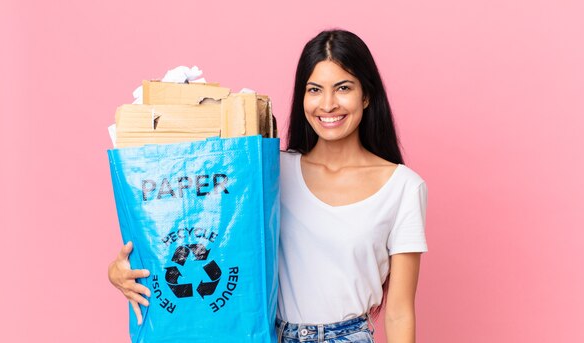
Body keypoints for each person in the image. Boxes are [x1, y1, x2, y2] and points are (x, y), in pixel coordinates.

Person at [109, 29, 427, 343]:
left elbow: (399, 312)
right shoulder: (269, 172)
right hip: (270, 335)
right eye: (314, 90)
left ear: (367, 95)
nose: (328, 104)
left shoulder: (403, 188)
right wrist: (121, 270)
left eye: (343, 88)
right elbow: (198, 223)